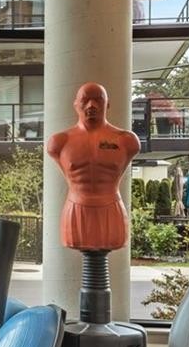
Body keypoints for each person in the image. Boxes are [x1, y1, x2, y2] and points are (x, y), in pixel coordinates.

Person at [46, 82, 141, 253]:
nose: (92, 105)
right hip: (75, 208)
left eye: (98, 100)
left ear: (108, 104)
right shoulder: (59, 142)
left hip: (112, 209)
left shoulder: (127, 141)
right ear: (76, 105)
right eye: (85, 100)